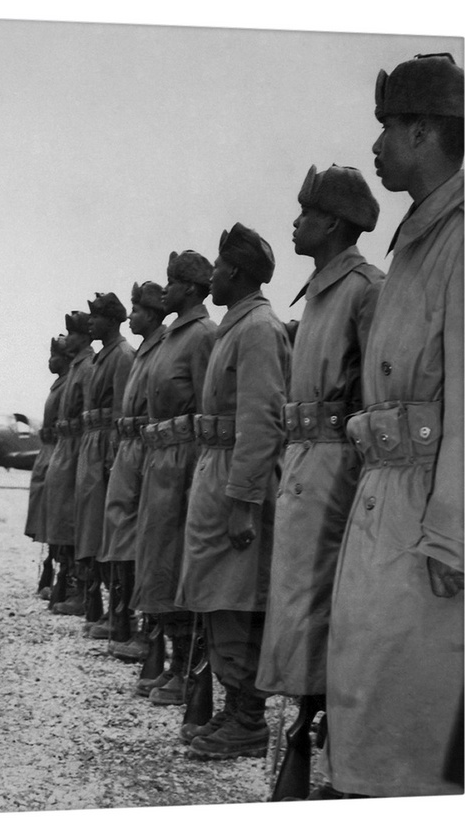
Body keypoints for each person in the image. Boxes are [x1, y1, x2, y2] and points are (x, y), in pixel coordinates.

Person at [325, 53, 463, 798]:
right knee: (373, 680)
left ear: (422, 132)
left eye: (387, 131)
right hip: (390, 497)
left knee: (417, 704)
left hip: (428, 513)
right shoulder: (418, 235)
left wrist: (454, 532)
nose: (375, 149)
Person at [255, 164, 383, 800]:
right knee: (301, 609)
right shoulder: (322, 293)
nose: (296, 223)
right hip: (306, 466)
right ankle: (302, 740)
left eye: (305, 214)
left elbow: (376, 396)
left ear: (332, 222)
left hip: (338, 475)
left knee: (328, 613)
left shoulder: (364, 289)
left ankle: (327, 752)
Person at [177, 223, 289, 760]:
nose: (211, 277)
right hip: (216, 470)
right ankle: (234, 709)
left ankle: (247, 718)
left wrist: (244, 502)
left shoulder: (258, 329)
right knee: (220, 598)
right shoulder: (235, 327)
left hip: (235, 481)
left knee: (238, 600)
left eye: (218, 268)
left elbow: (262, 420)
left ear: (237, 272)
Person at [131, 251, 217, 704]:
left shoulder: (202, 334)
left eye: (173, 281)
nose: (165, 288)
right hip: (161, 460)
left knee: (178, 564)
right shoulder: (170, 338)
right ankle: (169, 658)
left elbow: (208, 406)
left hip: (185, 463)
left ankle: (187, 670)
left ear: (191, 288)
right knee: (158, 563)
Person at [95, 282, 167, 648]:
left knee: (139, 537)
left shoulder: (150, 350)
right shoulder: (141, 352)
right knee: (121, 532)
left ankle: (140, 626)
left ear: (152, 314)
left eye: (138, 310)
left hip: (145, 448)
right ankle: (123, 616)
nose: (131, 316)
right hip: (129, 448)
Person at [73, 293, 136, 626]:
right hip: (91, 443)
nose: (90, 322)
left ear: (112, 320)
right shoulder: (101, 358)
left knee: (108, 529)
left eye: (96, 317)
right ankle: (95, 601)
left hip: (105, 447)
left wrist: (113, 454)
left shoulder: (122, 356)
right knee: (91, 526)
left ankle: (119, 611)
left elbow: (121, 412)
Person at [45, 312, 94, 614]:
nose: (67, 339)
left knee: (74, 519)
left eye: (71, 334)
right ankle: (69, 582)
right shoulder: (78, 366)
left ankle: (78, 587)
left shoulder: (86, 367)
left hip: (78, 448)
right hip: (67, 447)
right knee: (63, 518)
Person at [25, 335, 73, 600]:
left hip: (58, 451)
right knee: (48, 515)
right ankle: (53, 573)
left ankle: (65, 578)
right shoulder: (60, 384)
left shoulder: (67, 384)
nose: (49, 360)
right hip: (49, 452)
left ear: (64, 359)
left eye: (53, 355)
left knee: (59, 517)